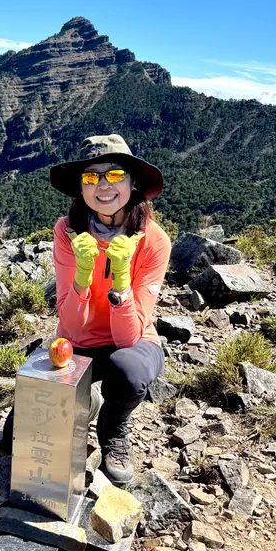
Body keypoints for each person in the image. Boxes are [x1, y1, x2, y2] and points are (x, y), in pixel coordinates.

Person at [49, 134, 171, 485]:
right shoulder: (67, 232)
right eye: (91, 177)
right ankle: (84, 403)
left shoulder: (153, 240)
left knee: (128, 373)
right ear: (81, 188)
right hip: (80, 339)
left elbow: (129, 336)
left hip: (132, 342)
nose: (103, 185)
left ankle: (113, 426)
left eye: (114, 175)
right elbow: (72, 327)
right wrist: (83, 276)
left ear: (133, 184)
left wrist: (120, 282)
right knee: (21, 429)